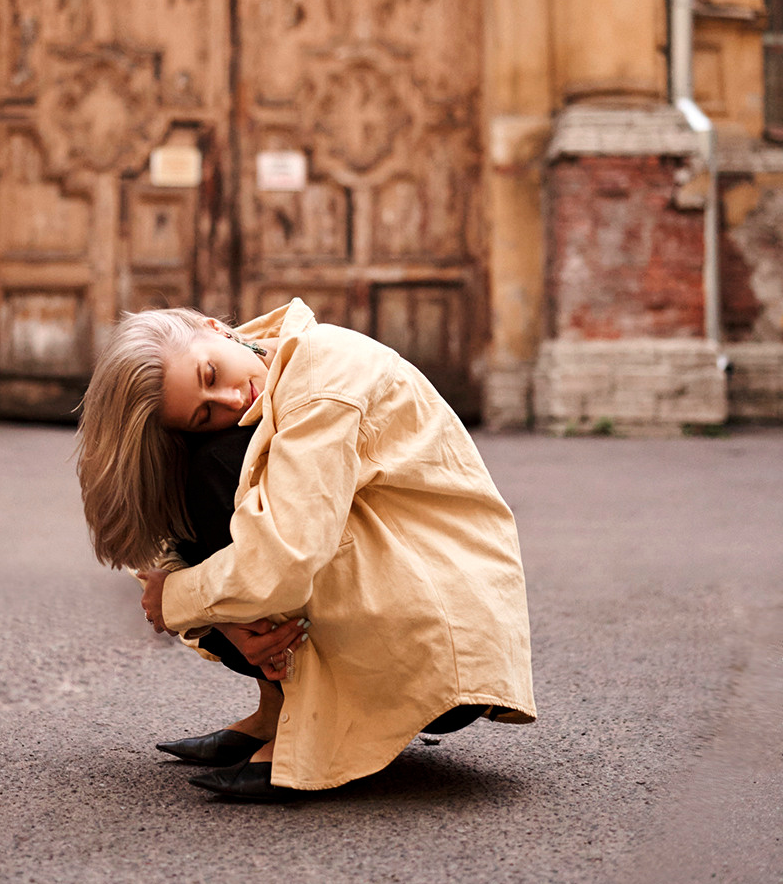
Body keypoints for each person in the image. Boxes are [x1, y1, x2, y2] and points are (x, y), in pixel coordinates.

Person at [78, 297, 536, 802]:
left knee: (220, 467)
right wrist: (225, 618)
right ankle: (280, 707)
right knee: (193, 461)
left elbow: (288, 559)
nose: (229, 399)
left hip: (440, 640)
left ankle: (312, 727)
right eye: (203, 411)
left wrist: (177, 599)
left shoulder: (322, 375)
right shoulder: (257, 367)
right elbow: (171, 528)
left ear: (216, 328)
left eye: (211, 374)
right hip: (391, 605)